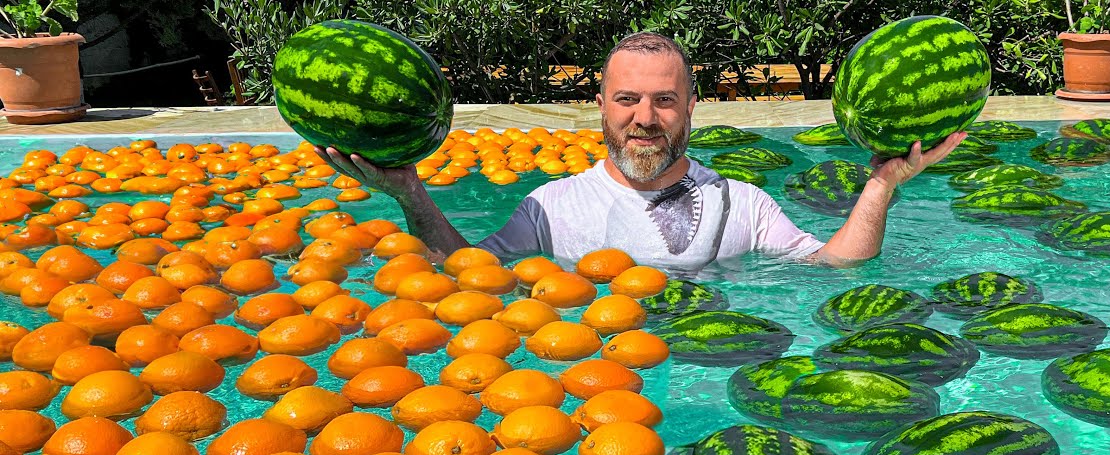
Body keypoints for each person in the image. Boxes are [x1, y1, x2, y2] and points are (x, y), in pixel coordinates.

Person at [325, 32, 966, 272]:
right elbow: (470, 276)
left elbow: (836, 268)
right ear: (600, 105)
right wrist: (410, 192)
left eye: (665, 100)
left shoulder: (742, 201)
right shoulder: (550, 207)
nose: (645, 118)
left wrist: (883, 185)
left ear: (692, 107)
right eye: (627, 99)